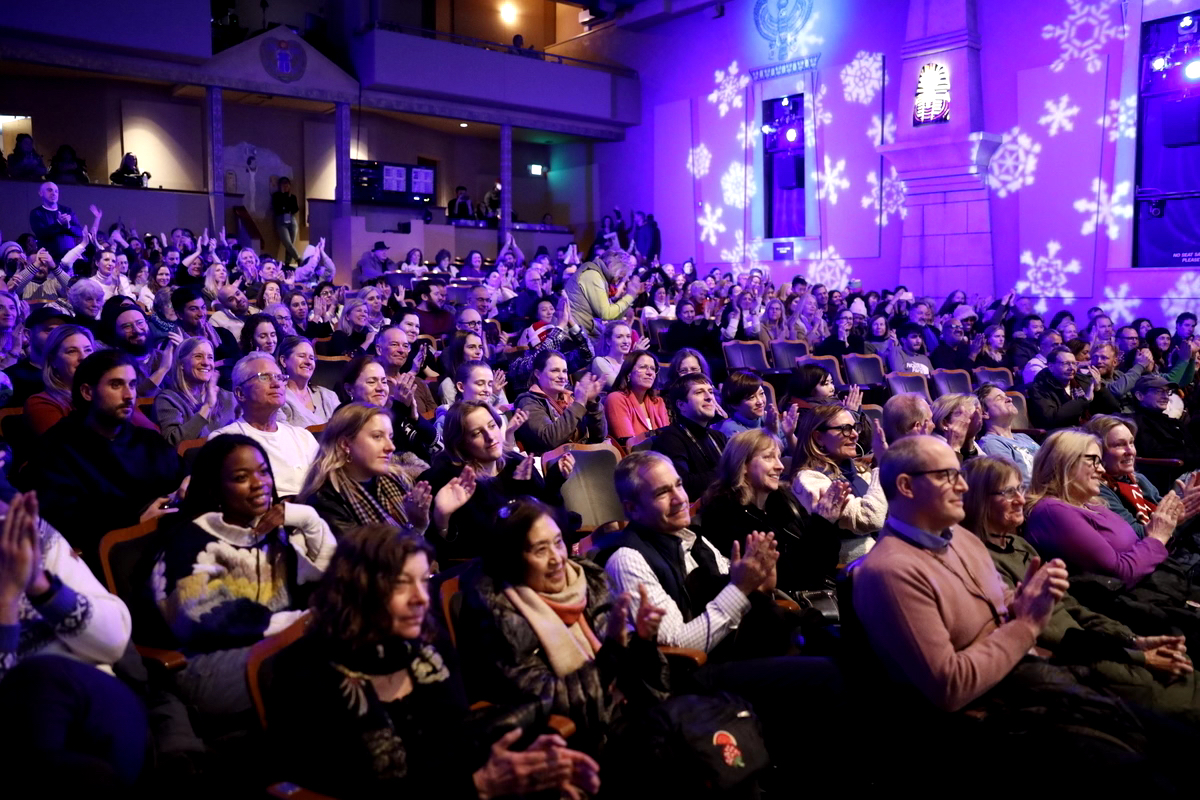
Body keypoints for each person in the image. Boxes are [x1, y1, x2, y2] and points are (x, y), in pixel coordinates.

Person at [267, 526, 601, 799]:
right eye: (401, 584)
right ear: (358, 590)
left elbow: (454, 740)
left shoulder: (427, 643)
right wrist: (480, 786)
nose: (421, 598)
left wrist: (520, 762)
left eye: (423, 581)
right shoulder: (305, 673)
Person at [961, 456, 1200, 725]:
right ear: (979, 500)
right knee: (1176, 695)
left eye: (1020, 488)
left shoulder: (1017, 544)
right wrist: (1138, 656)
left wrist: (1133, 640)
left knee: (1183, 667)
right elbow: (1049, 633)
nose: (1020, 499)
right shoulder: (982, 559)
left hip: (1095, 639)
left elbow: (1073, 608)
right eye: (1007, 492)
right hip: (1070, 657)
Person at [852, 435, 1071, 711]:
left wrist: (1026, 600)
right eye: (948, 475)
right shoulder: (889, 572)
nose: (964, 486)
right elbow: (950, 687)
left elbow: (1002, 603)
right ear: (906, 486)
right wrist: (1026, 626)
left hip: (1024, 676)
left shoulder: (961, 537)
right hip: (991, 717)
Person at [459, 495, 669, 750]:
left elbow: (639, 679)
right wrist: (612, 654)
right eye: (540, 550)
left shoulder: (588, 581)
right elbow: (549, 699)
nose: (557, 558)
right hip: (581, 745)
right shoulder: (499, 614)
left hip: (637, 711)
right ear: (511, 559)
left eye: (558, 542)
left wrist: (644, 643)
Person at [153, 434, 334, 718]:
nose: (259, 483)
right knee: (329, 664)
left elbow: (330, 581)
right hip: (209, 665)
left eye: (263, 471)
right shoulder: (190, 541)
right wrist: (302, 623)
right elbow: (200, 616)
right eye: (241, 477)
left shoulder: (269, 530)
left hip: (277, 646)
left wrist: (308, 519)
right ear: (215, 489)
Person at [0, 490, 146, 791]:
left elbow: (114, 640)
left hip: (94, 704)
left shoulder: (25, 531)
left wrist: (40, 586)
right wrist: (7, 600)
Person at [25, 350, 184, 566]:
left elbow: (180, 474)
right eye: (116, 385)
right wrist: (135, 522)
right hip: (108, 561)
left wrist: (189, 481)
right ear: (87, 392)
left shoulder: (146, 439)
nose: (129, 395)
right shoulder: (56, 448)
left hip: (171, 544)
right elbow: (62, 520)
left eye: (133, 384)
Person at [419, 401, 573, 563]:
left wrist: (554, 483)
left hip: (539, 556)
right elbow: (451, 552)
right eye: (477, 433)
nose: (490, 436)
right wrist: (442, 517)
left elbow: (547, 518)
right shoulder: (448, 482)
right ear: (461, 444)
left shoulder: (515, 463)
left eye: (492, 426)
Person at [1024, 429, 1180, 585]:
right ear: (1065, 461)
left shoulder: (1093, 504)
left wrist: (1165, 524)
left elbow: (1139, 544)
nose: (1102, 470)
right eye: (1094, 461)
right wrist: (1157, 538)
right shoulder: (1052, 511)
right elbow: (1119, 574)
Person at [700, 429, 845, 593]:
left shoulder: (783, 500)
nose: (780, 466)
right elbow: (786, 576)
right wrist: (822, 523)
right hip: (779, 604)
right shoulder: (725, 512)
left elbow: (825, 561)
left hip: (815, 592)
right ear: (743, 464)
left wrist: (828, 523)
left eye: (778, 457)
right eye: (768, 457)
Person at [299, 402, 468, 539]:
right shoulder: (324, 500)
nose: (390, 447)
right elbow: (364, 566)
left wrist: (441, 516)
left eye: (391, 437)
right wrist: (414, 528)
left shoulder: (395, 479)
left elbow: (433, 550)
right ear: (345, 444)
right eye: (377, 437)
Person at [207, 353, 320, 498]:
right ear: (240, 393)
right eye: (264, 377)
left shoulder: (303, 437)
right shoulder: (223, 441)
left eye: (280, 377)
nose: (276, 383)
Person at [789, 403, 885, 560]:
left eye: (855, 427)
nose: (855, 434)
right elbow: (870, 518)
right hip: (851, 570)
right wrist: (881, 467)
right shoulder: (809, 479)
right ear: (818, 437)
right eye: (845, 429)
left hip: (883, 556)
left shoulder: (860, 471)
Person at [1083, 414, 1200, 540]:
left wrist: (1183, 505)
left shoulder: (1138, 478)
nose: (1130, 451)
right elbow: (1135, 536)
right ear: (1097, 451)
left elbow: (1168, 519)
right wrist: (1174, 520)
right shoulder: (1098, 490)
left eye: (1131, 443)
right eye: (1119, 445)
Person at [513, 349, 606, 454]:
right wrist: (579, 403)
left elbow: (599, 436)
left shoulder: (571, 397)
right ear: (538, 374)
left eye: (565, 371)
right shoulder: (528, 402)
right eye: (555, 370)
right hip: (553, 465)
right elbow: (550, 439)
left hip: (583, 458)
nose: (562, 376)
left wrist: (591, 403)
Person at [653, 373, 728, 501]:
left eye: (710, 391)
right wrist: (728, 472)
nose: (709, 397)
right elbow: (684, 485)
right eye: (699, 392)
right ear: (681, 405)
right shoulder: (669, 440)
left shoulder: (719, 436)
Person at [153, 336, 237, 445]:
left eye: (210, 357)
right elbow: (172, 442)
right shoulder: (168, 400)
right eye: (198, 356)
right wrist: (207, 407)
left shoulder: (229, 397)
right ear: (181, 364)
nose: (206, 363)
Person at [564, 249, 642, 348]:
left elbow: (612, 319)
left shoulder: (599, 277)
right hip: (572, 338)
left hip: (582, 334)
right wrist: (629, 296)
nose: (616, 283)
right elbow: (606, 314)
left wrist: (630, 297)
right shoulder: (592, 275)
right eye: (619, 277)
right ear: (615, 267)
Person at [171, 286, 240, 388]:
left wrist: (217, 346)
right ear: (179, 315)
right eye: (194, 309)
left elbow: (238, 365)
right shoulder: (173, 342)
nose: (201, 313)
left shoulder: (224, 334)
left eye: (203, 307)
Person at [4, 305, 71, 406]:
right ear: (28, 334)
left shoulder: (70, 374)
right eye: (49, 330)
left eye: (61, 331)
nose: (58, 335)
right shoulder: (11, 378)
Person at [1128, 373, 1200, 468]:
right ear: (1140, 395)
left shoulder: (1174, 422)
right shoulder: (1136, 423)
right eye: (1159, 391)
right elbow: (1156, 455)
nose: (1166, 397)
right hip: (1170, 475)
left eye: (1167, 392)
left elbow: (1193, 448)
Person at [975, 383, 1040, 486]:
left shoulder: (1023, 437)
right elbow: (1012, 482)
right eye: (999, 398)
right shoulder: (991, 443)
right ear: (984, 413)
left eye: (1006, 396)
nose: (1009, 399)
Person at [603, 351, 669, 442]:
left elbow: (669, 439)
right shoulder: (616, 399)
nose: (650, 373)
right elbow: (629, 443)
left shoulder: (658, 402)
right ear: (629, 372)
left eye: (653, 369)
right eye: (643, 367)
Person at [1026, 345, 1095, 429]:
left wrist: (1100, 390)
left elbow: (1110, 409)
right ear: (1051, 366)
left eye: (1074, 363)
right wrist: (1083, 401)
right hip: (1057, 432)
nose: (1072, 368)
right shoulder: (1040, 387)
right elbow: (1051, 418)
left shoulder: (1081, 381)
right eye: (1066, 363)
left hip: (1082, 427)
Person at [278, 336, 339, 427]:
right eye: (302, 356)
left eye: (311, 358)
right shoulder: (277, 398)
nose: (308, 362)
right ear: (284, 361)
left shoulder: (329, 396)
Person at [28, 182, 83, 263]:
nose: (53, 193)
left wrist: (68, 226)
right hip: (49, 259)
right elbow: (41, 233)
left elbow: (79, 232)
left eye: (56, 191)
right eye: (49, 190)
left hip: (69, 258)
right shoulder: (36, 212)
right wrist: (59, 223)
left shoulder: (67, 210)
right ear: (40, 193)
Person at [590, 320, 638, 389]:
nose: (626, 341)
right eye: (619, 337)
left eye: (628, 336)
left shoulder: (626, 363)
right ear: (608, 341)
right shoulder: (599, 361)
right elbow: (618, 386)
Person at [271, 177, 302, 266]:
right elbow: (278, 208)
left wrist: (286, 207)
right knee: (287, 243)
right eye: (283, 185)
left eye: (287, 185)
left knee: (291, 243)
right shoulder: (276, 195)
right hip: (281, 219)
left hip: (291, 219)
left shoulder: (292, 197)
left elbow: (295, 209)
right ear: (280, 186)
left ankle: (287, 263)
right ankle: (298, 258)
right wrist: (284, 196)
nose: (285, 186)